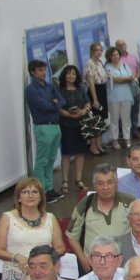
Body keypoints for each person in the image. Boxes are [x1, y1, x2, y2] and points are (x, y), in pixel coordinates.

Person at [0, 177, 65, 280]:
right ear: (18, 197)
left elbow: (61, 248)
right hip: (16, 277)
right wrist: (17, 257)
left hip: (45, 275)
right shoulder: (7, 218)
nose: (30, 195)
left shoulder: (50, 218)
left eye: (34, 192)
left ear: (41, 197)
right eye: (25, 192)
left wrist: (42, 259)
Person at [66, 165, 135, 273]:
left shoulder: (130, 203)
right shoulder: (84, 205)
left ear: (116, 184)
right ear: (94, 186)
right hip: (93, 267)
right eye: (100, 183)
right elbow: (72, 236)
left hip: (124, 266)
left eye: (109, 182)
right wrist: (83, 259)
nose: (105, 187)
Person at [56, 64, 92, 195]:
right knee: (66, 153)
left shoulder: (80, 88)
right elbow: (58, 108)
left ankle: (78, 179)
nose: (71, 76)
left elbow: (88, 102)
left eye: (73, 73)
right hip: (66, 124)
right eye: (68, 73)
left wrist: (83, 110)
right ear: (64, 75)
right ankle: (65, 181)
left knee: (80, 152)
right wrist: (70, 114)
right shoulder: (59, 90)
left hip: (81, 124)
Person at [103, 46, 134, 150]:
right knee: (114, 119)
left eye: (117, 54)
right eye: (113, 55)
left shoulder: (124, 65)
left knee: (126, 118)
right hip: (114, 96)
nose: (116, 57)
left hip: (126, 95)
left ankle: (127, 138)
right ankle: (114, 140)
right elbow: (115, 80)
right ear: (109, 57)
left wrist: (124, 79)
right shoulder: (107, 67)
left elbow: (131, 77)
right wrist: (125, 79)